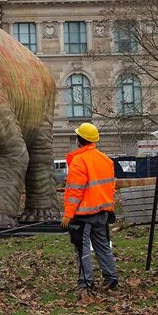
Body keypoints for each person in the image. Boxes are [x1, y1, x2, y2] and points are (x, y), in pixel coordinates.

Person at [61, 122, 119, 295]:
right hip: (102, 213)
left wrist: (68, 215)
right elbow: (110, 188)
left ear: (80, 139)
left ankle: (85, 283)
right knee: (103, 246)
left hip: (83, 215)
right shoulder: (105, 160)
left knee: (82, 249)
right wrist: (110, 209)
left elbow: (75, 192)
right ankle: (111, 278)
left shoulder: (79, 161)